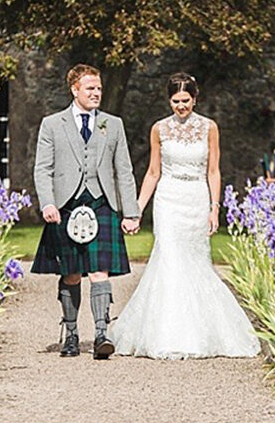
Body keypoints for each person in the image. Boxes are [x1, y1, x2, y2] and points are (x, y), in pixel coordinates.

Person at [109, 73, 260, 359]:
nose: (181, 107)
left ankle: (202, 332)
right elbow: (153, 172)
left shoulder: (209, 128)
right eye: (176, 101)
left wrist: (215, 208)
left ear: (195, 98)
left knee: (196, 263)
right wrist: (136, 209)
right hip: (168, 199)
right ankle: (167, 333)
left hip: (196, 198)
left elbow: (213, 171)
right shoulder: (159, 129)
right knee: (168, 260)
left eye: (186, 101)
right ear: (169, 100)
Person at [30, 64, 141, 359]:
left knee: (99, 270)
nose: (96, 93)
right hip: (66, 205)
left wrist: (131, 212)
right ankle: (71, 334)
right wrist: (48, 202)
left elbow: (124, 171)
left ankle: (102, 334)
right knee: (71, 273)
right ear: (74, 89)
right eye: (90, 88)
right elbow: (43, 169)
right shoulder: (52, 124)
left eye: (99, 88)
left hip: (101, 202)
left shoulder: (112, 124)